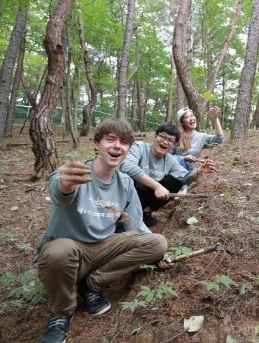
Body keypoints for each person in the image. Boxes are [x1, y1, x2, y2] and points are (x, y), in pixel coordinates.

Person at [35, 119, 175, 343]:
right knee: (57, 252)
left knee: (157, 243)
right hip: (70, 250)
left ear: (128, 149)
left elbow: (135, 226)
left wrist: (160, 255)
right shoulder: (74, 172)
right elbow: (60, 193)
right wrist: (65, 185)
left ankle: (92, 285)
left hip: (102, 249)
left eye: (124, 142)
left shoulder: (126, 184)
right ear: (96, 144)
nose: (117, 146)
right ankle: (61, 313)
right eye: (110, 140)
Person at [120, 123, 216, 227]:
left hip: (145, 196)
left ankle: (145, 212)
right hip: (128, 193)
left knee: (176, 181)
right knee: (128, 178)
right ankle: (124, 213)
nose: (165, 142)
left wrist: (199, 170)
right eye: (162, 137)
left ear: (174, 146)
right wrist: (157, 186)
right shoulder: (140, 147)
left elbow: (185, 177)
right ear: (155, 137)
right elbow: (126, 166)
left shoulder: (170, 159)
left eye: (170, 140)